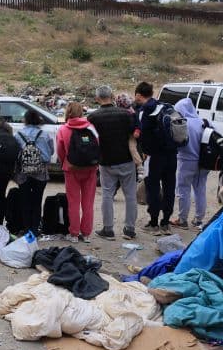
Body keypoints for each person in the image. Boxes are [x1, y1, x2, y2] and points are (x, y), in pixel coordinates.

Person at [88, 85, 139, 240]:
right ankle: (129, 229)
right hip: (126, 160)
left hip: (106, 161)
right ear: (112, 95)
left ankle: (108, 229)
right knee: (130, 195)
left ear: (97, 99)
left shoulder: (93, 117)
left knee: (107, 195)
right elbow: (134, 134)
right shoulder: (126, 114)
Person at [134, 81, 177, 235]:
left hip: (155, 155)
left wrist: (144, 151)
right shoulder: (166, 107)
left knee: (153, 188)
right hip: (172, 154)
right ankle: (166, 222)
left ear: (139, 95)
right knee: (169, 187)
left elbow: (143, 134)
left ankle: (153, 223)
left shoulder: (145, 110)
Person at [55, 101, 99, 242]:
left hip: (71, 169)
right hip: (90, 169)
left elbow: (60, 151)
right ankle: (86, 234)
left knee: (73, 202)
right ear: (81, 112)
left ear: (68, 112)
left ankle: (74, 233)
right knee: (88, 202)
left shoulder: (63, 129)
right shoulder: (91, 127)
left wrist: (65, 163)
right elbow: (98, 145)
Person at [13, 109, 53, 235]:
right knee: (37, 201)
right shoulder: (44, 134)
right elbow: (50, 152)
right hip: (41, 173)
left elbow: (15, 154)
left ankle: (26, 229)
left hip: (23, 173)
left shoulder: (18, 134)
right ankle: (35, 229)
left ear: (25, 120)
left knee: (25, 201)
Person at [170, 98, 208, 230]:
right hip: (204, 163)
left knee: (183, 190)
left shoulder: (182, 124)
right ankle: (198, 219)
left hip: (187, 161)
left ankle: (182, 219)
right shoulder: (204, 122)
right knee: (200, 190)